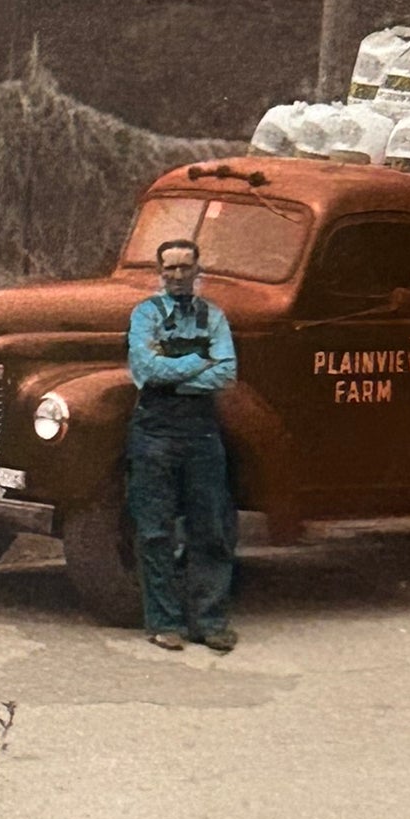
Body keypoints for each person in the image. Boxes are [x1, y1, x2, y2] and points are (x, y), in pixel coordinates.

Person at [126, 238, 239, 653]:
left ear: (197, 270)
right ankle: (163, 622)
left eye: (184, 267)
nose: (177, 275)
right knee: (155, 530)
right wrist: (198, 362)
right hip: (154, 431)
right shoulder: (145, 315)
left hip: (201, 432)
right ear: (160, 272)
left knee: (209, 528)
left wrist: (174, 370)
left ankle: (209, 622)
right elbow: (146, 369)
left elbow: (226, 371)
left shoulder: (214, 316)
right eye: (169, 268)